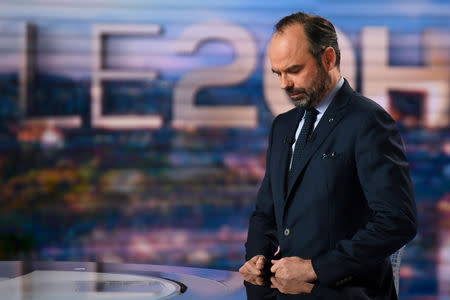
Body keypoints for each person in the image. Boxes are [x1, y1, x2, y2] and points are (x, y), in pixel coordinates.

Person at [239, 11, 417, 299]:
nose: (284, 84)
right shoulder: (282, 125)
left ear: (329, 59)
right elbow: (265, 212)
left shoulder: (369, 121)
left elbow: (397, 221)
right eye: (278, 73)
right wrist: (256, 260)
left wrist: (316, 269)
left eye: (294, 70)